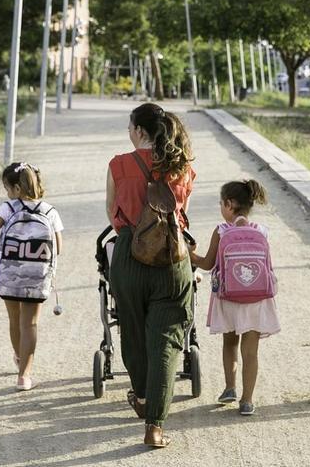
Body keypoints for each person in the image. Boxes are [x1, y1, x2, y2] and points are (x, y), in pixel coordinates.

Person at [105, 103, 195, 447]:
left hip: (130, 256)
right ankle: (155, 426)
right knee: (166, 342)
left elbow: (111, 211)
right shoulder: (181, 165)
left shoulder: (118, 165)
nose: (128, 133)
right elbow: (183, 213)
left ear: (140, 131)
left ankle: (141, 397)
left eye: (130, 127)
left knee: (133, 332)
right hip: (172, 258)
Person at [189, 179, 281, 416]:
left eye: (221, 203)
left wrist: (190, 255)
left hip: (230, 297)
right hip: (256, 298)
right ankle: (247, 400)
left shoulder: (221, 231)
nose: (221, 207)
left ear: (229, 204)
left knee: (230, 342)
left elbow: (208, 264)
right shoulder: (261, 231)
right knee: (251, 351)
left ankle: (230, 387)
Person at [0, 162, 63, 392]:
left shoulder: (8, 208)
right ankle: (24, 376)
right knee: (30, 323)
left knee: (14, 318)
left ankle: (19, 356)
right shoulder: (49, 211)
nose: (7, 193)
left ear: (17, 188)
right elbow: (58, 246)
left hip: (10, 271)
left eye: (8, 188)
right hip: (36, 274)